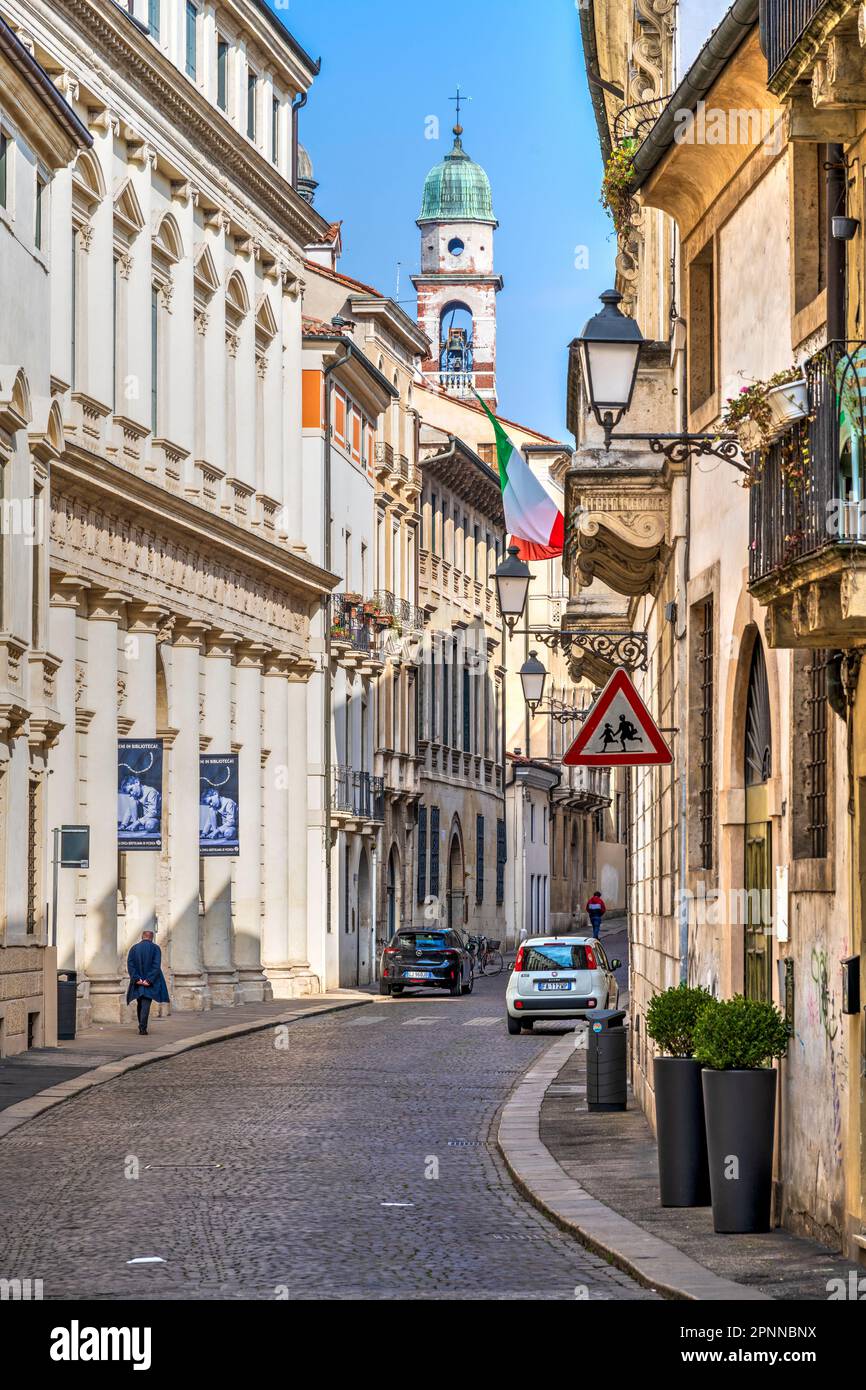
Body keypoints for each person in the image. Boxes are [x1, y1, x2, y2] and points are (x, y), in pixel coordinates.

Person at [126, 930, 170, 1035]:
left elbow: (130, 965)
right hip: (150, 982)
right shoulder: (155, 948)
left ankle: (141, 1025)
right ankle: (142, 1028)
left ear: (142, 937)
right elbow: (156, 965)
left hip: (138, 982)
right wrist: (148, 980)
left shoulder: (134, 948)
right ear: (152, 937)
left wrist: (137, 979)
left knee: (140, 1003)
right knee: (146, 1003)